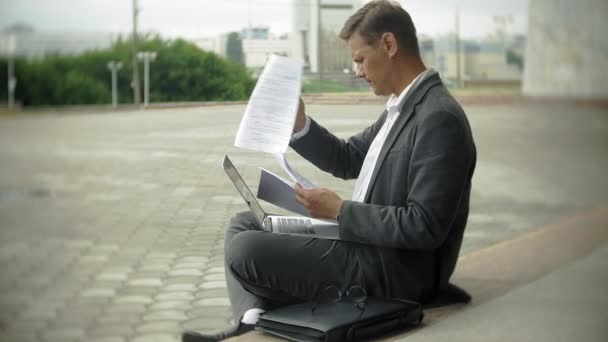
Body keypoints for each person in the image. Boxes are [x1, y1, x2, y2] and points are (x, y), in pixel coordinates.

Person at [182, 1, 476, 341]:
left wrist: (340, 212)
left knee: (246, 251)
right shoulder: (401, 106)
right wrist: (300, 124)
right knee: (243, 224)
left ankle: (269, 307)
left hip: (394, 270)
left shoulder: (438, 118)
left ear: (389, 45)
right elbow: (348, 158)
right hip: (364, 243)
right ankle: (253, 318)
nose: (358, 71)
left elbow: (424, 226)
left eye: (360, 59)